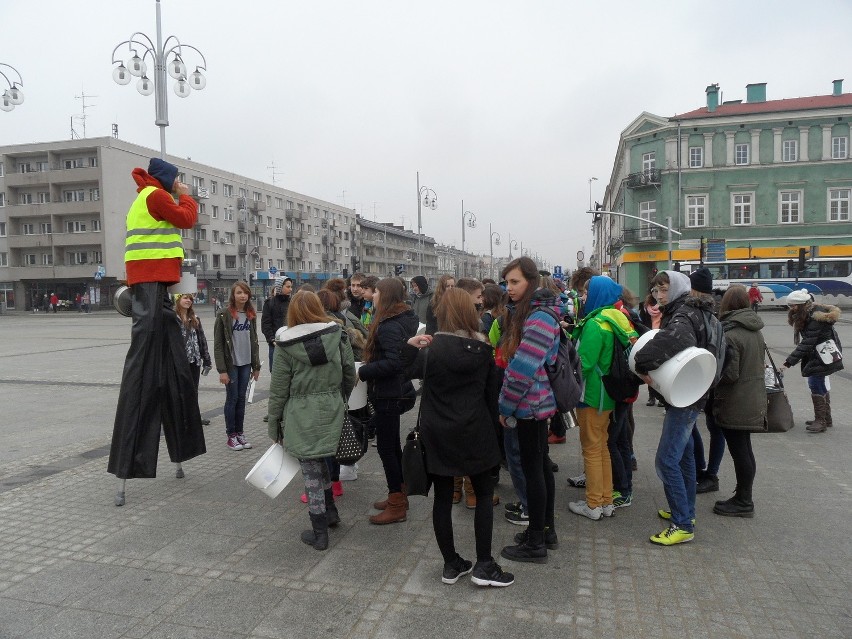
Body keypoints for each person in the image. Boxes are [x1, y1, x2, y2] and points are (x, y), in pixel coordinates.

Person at [107, 158, 206, 505]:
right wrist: (186, 195)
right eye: (176, 178)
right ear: (166, 178)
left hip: (155, 283)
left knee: (172, 363)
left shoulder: (147, 196)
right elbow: (187, 219)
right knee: (144, 362)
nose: (179, 182)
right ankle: (130, 464)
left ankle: (181, 448)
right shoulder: (155, 195)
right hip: (150, 281)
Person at [402, 288, 513, 587]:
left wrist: (411, 346)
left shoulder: (431, 349)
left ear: (441, 313)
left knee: (441, 498)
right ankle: (485, 565)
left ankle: (451, 564)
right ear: (469, 312)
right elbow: (492, 397)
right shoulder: (483, 350)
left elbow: (406, 371)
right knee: (483, 495)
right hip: (476, 429)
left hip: (437, 432)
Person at [632, 270, 718, 546]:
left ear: (681, 288)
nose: (659, 295)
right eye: (657, 289)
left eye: (665, 289)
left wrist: (641, 362)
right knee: (685, 457)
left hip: (684, 395)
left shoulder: (683, 314)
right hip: (693, 392)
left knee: (666, 460)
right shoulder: (702, 312)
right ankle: (685, 511)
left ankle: (682, 523)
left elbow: (673, 341)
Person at [267, 290, 356, 551]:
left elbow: (279, 390)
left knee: (311, 474)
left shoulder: (285, 345)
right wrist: (341, 399)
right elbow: (350, 373)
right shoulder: (337, 335)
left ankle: (319, 534)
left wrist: (274, 424)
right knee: (323, 463)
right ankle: (330, 513)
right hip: (332, 408)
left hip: (300, 414)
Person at [497, 256, 560, 564]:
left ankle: (536, 542)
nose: (509, 288)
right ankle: (544, 531)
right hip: (535, 401)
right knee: (541, 466)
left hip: (530, 404)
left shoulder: (538, 318)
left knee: (534, 469)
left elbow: (522, 368)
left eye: (515, 282)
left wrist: (505, 406)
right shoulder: (532, 313)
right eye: (506, 282)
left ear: (531, 282)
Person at [569, 276, 637, 520]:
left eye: (587, 293)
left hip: (591, 395)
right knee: (603, 448)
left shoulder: (595, 324)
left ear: (597, 294)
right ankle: (606, 500)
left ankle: (593, 504)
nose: (583, 298)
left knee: (592, 449)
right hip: (609, 395)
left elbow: (584, 364)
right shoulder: (618, 318)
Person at [357, 277, 420, 525]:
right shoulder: (397, 319)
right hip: (392, 391)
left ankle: (397, 504)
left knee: (387, 448)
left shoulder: (390, 325)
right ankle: (398, 494)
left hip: (388, 392)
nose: (373, 295)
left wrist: (363, 371)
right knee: (392, 446)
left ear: (387, 296)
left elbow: (394, 362)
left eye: (377, 292)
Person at [712, 285, 766, 517]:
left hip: (736, 401)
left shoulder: (732, 333)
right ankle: (743, 496)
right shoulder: (755, 329)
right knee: (745, 449)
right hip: (753, 396)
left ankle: (744, 501)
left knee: (740, 451)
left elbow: (730, 374)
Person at [782, 288, 843, 433]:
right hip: (821, 353)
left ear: (802, 304)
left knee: (815, 383)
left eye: (793, 306)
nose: (791, 309)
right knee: (818, 383)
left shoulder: (815, 318)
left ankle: (821, 421)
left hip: (823, 354)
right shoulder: (809, 313)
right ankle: (825, 418)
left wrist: (788, 362)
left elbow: (807, 343)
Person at [689, 267, 726, 495]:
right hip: (710, 379)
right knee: (706, 427)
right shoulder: (712, 310)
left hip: (713, 380)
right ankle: (703, 469)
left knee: (715, 429)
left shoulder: (712, 314)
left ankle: (710, 473)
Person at [214, 281, 261, 450]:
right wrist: (222, 370)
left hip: (246, 363)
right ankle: (231, 435)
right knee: (232, 399)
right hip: (232, 364)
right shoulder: (224, 314)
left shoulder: (250, 314)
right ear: (233, 295)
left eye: (245, 293)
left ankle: (240, 433)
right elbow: (218, 345)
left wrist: (256, 367)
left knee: (242, 399)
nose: (242, 295)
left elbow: (254, 341)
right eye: (239, 292)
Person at [175, 293, 213, 427]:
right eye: (185, 298)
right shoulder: (173, 318)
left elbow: (201, 339)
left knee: (193, 390)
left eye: (190, 299)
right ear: (178, 299)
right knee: (180, 390)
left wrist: (206, 359)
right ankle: (181, 418)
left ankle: (194, 416)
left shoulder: (195, 318)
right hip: (180, 361)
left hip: (194, 360)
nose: (188, 301)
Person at [261, 276, 293, 371]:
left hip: (291, 344)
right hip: (275, 345)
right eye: (288, 287)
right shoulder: (269, 303)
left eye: (291, 287)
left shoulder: (292, 303)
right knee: (276, 372)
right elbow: (266, 324)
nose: (290, 289)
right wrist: (271, 340)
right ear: (280, 287)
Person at [639, 291, 663, 406]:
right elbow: (642, 322)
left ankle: (661, 397)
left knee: (660, 368)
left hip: (661, 337)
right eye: (654, 290)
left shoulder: (665, 305)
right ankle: (651, 396)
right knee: (649, 368)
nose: (656, 293)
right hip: (648, 337)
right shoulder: (645, 305)